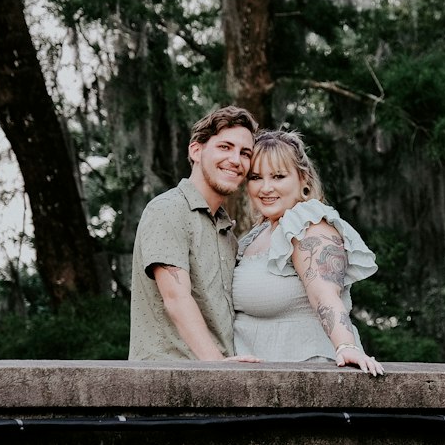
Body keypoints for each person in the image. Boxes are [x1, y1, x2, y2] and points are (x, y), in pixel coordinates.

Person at [233, 129, 383, 376]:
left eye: (278, 176)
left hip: (305, 378)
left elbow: (324, 293)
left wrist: (346, 345)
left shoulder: (308, 224)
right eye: (256, 177)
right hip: (257, 385)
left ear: (303, 180)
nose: (266, 187)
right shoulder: (255, 236)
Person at [129, 104, 258, 361]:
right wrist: (218, 366)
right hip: (168, 383)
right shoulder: (167, 210)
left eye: (245, 153)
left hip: (217, 383)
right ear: (196, 150)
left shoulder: (226, 232)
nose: (235, 160)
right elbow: (176, 297)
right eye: (225, 147)